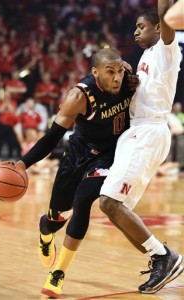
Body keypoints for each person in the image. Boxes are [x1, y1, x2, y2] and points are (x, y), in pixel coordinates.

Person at [17, 47, 139, 298]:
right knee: (55, 220)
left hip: (109, 155)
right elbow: (52, 138)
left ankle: (58, 273)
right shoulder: (79, 96)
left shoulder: (127, 77)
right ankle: (45, 231)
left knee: (84, 200)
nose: (117, 77)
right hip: (77, 155)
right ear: (95, 73)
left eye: (119, 71)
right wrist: (22, 163)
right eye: (110, 72)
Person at [99, 1, 184, 295]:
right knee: (114, 208)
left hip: (149, 131)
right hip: (137, 133)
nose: (135, 31)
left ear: (159, 28)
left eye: (141, 26)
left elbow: (165, 12)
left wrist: (165, 8)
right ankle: (159, 256)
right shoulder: (146, 56)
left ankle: (163, 256)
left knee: (109, 201)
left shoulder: (165, 49)